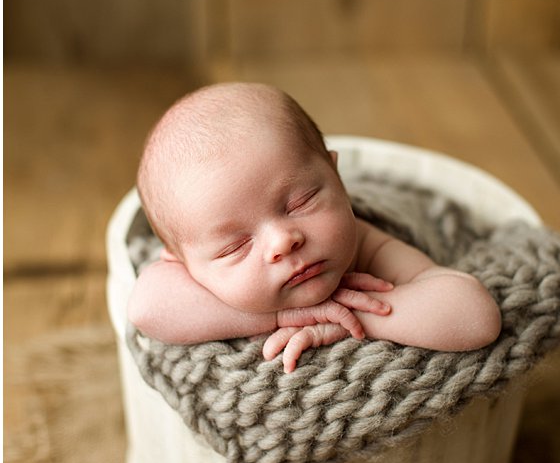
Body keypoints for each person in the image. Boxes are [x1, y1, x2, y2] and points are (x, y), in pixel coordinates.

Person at [128, 83, 502, 372]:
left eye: (300, 202)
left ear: (337, 176)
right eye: (235, 247)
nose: (282, 241)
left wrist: (359, 313)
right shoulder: (188, 275)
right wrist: (279, 316)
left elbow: (475, 316)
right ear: (181, 263)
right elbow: (147, 307)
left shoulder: (368, 246)